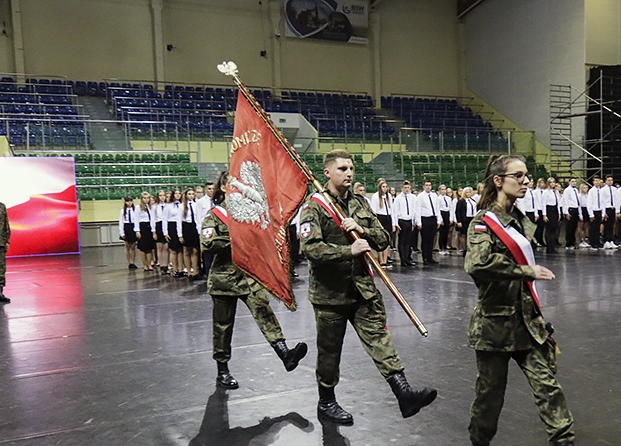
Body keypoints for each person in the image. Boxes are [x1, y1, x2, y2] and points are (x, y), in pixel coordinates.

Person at [464, 155, 612, 446]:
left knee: (549, 390)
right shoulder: (482, 223)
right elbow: (476, 265)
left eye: (527, 176)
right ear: (499, 180)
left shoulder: (518, 220)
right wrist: (525, 271)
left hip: (528, 323)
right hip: (494, 327)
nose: (526, 181)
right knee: (489, 398)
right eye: (519, 176)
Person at [300, 149, 437, 426]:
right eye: (342, 169)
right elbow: (310, 248)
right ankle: (326, 401)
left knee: (379, 340)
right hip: (330, 294)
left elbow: (383, 238)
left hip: (362, 289)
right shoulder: (313, 207)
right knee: (330, 351)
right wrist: (347, 250)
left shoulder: (360, 204)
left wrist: (363, 232)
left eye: (351, 168)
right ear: (327, 172)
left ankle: (404, 394)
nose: (348, 173)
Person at [200, 171, 308, 389]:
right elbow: (208, 244)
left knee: (265, 312)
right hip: (224, 280)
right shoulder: (214, 215)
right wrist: (236, 239)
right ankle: (222, 370)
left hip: (250, 277)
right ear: (223, 189)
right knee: (223, 326)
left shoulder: (248, 214)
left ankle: (285, 354)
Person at [413, 179, 443, 265]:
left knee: (431, 239)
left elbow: (437, 208)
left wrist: (438, 220)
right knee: (425, 239)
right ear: (423, 186)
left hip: (433, 218)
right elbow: (417, 209)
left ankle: (430, 257)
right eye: (426, 185)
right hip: (424, 219)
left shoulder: (434, 196)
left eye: (429, 185)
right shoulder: (420, 196)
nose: (428, 186)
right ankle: (425, 257)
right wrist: (419, 222)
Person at [368, 179, 395, 268]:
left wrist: (393, 223)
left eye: (386, 187)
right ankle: (381, 260)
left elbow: (392, 210)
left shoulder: (389, 196)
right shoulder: (376, 196)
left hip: (388, 217)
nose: (385, 188)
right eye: (383, 187)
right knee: (380, 239)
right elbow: (373, 211)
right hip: (380, 217)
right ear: (380, 187)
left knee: (387, 240)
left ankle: (386, 260)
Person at [392, 180, 417, 267]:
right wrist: (395, 223)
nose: (406, 189)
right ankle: (402, 259)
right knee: (402, 241)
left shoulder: (413, 198)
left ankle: (407, 258)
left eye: (408, 188)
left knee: (408, 241)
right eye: (405, 188)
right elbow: (394, 211)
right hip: (401, 220)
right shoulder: (398, 198)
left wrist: (414, 221)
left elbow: (414, 210)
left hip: (409, 220)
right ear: (402, 188)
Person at [180, 188, 201, 279]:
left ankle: (195, 270)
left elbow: (199, 218)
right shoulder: (182, 206)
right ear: (186, 195)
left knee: (195, 250)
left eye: (193, 194)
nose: (191, 195)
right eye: (189, 194)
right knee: (187, 251)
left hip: (194, 227)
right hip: (186, 227)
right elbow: (179, 221)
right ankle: (189, 271)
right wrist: (180, 234)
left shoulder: (197, 205)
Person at [134, 192, 157, 270]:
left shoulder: (152, 207)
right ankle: (144, 264)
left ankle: (149, 264)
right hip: (142, 227)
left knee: (150, 248)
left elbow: (153, 219)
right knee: (143, 248)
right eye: (144, 198)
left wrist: (153, 231)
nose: (146, 200)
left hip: (149, 227)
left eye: (147, 198)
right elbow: (136, 219)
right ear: (141, 199)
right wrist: (137, 230)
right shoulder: (138, 207)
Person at [560, 177, 581, 249]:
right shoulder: (567, 190)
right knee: (569, 227)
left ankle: (573, 241)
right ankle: (568, 243)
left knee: (574, 227)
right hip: (570, 209)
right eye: (572, 181)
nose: (574, 183)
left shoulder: (576, 190)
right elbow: (565, 201)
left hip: (576, 209)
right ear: (569, 182)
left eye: (575, 181)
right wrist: (566, 212)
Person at [118, 195, 138, 269]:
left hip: (133, 227)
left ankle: (133, 261)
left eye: (130, 201)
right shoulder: (123, 211)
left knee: (133, 246)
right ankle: (129, 262)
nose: (129, 203)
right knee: (127, 246)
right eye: (127, 201)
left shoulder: (135, 210)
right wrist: (121, 232)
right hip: (126, 227)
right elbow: (121, 222)